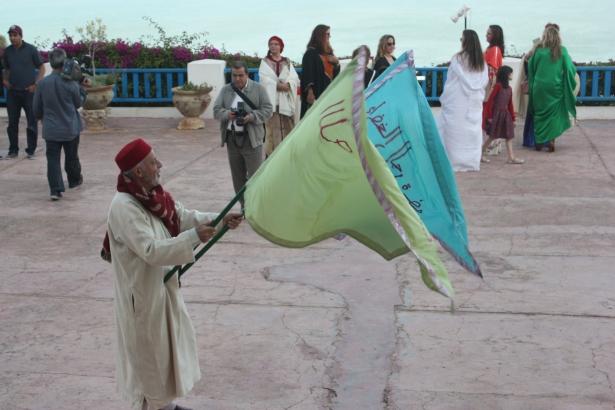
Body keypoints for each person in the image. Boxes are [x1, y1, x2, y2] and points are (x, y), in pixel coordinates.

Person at [102, 138, 243, 410]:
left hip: (159, 292)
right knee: (149, 367)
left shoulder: (152, 196)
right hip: (141, 302)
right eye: (154, 162)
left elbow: (182, 217)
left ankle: (165, 407)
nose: (160, 165)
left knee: (163, 361)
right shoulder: (125, 206)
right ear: (139, 171)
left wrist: (219, 219)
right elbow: (151, 250)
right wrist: (193, 237)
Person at [213, 60, 272, 203]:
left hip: (252, 139)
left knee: (255, 177)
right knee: (237, 178)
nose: (237, 79)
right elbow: (216, 111)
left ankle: (256, 206)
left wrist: (251, 117)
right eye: (234, 75)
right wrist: (228, 114)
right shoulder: (226, 90)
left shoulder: (258, 89)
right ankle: (244, 207)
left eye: (240, 75)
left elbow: (268, 110)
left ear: (247, 75)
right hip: (232, 139)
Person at [33, 48, 85, 200]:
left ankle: (55, 190)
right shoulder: (71, 83)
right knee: (72, 156)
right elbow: (77, 103)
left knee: (53, 159)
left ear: (51, 62)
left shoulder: (42, 84)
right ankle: (74, 181)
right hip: (70, 127)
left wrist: (40, 117)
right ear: (64, 62)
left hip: (51, 129)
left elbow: (36, 108)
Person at [437, 29, 489, 172]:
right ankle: (471, 161)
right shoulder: (481, 62)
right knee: (471, 131)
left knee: (454, 130)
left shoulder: (457, 59)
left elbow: (451, 80)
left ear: (465, 42)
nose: (460, 42)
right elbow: (484, 80)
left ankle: (454, 160)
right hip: (473, 102)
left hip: (457, 100)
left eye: (461, 39)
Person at [528, 24, 576, 152]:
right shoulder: (562, 50)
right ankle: (551, 141)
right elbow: (570, 69)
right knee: (554, 115)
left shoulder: (538, 50)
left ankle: (538, 141)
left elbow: (531, 69)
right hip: (555, 87)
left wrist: (532, 84)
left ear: (544, 36)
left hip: (539, 87)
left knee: (539, 114)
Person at [2, 25, 45, 159]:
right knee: (12, 123)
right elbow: (6, 68)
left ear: (21, 36)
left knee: (32, 122)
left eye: (15, 35)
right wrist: (5, 79)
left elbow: (42, 67)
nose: (12, 38)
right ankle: (13, 150)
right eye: (10, 35)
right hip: (13, 93)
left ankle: (31, 150)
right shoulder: (7, 52)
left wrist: (36, 84)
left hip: (29, 92)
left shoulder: (31, 49)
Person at [258, 35, 299, 157]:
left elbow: (294, 77)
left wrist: (289, 84)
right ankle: (271, 155)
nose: (273, 46)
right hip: (273, 102)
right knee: (272, 129)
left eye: (276, 44)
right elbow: (263, 79)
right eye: (271, 44)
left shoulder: (287, 61)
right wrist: (276, 85)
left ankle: (287, 153)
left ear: (281, 46)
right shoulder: (265, 62)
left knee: (288, 127)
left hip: (285, 100)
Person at [482, 65, 524, 164]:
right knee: (492, 136)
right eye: (511, 73)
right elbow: (490, 102)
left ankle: (511, 157)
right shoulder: (498, 86)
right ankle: (480, 153)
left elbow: (510, 105)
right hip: (496, 115)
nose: (512, 75)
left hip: (505, 115)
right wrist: (489, 116)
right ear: (506, 75)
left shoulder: (509, 88)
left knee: (509, 136)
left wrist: (513, 118)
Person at [300, 24, 340, 118]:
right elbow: (307, 74)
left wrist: (336, 63)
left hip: (328, 93)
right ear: (320, 35)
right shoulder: (310, 53)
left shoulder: (329, 54)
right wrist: (310, 92)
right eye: (327, 34)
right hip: (316, 93)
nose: (329, 36)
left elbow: (334, 75)